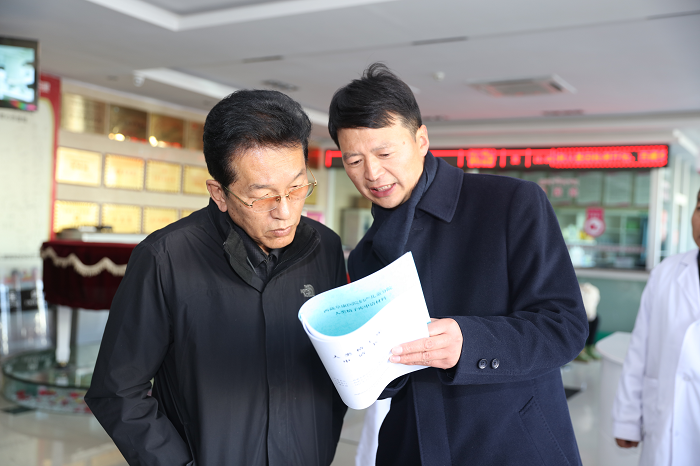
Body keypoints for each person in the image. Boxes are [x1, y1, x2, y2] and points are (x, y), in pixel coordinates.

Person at [328, 63, 588, 466]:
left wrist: (469, 342)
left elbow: (564, 327)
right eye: (353, 160)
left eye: (384, 153)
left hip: (513, 445)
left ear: (421, 140)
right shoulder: (366, 254)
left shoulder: (510, 203)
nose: (372, 173)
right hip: (411, 447)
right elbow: (388, 376)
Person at [85, 90, 348, 466]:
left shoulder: (324, 247)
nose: (286, 212)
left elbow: (335, 363)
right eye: (263, 196)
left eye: (297, 188)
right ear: (219, 193)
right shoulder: (166, 259)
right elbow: (117, 390)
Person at [613, 187, 700, 465]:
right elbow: (639, 350)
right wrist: (627, 419)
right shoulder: (666, 272)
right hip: (666, 423)